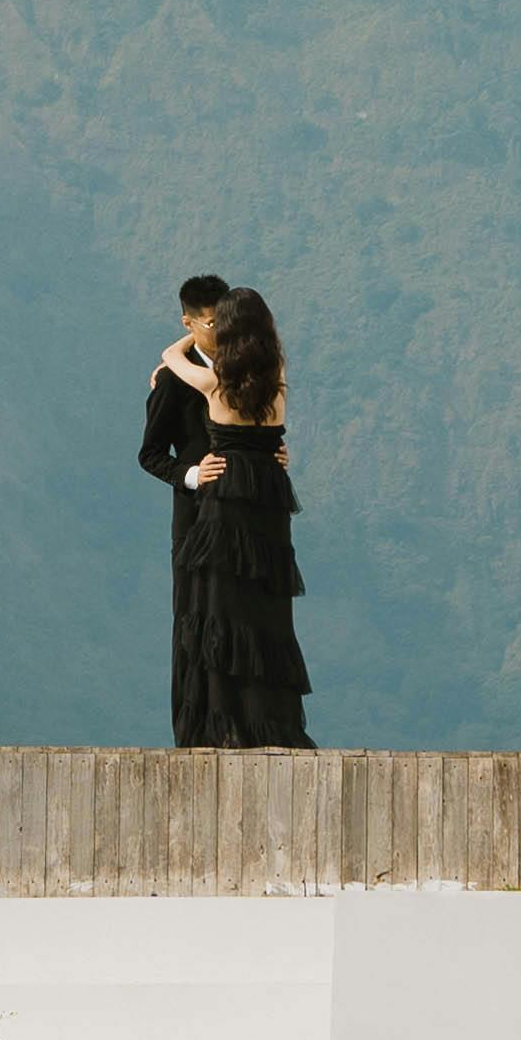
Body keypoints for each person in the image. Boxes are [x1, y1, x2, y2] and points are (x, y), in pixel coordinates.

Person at [141, 273, 312, 750]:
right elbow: (151, 452)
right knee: (261, 613)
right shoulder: (277, 380)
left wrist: (185, 340)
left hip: (225, 509)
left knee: (217, 614)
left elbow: (171, 357)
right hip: (267, 503)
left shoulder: (214, 381)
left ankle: (220, 726)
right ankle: (264, 723)